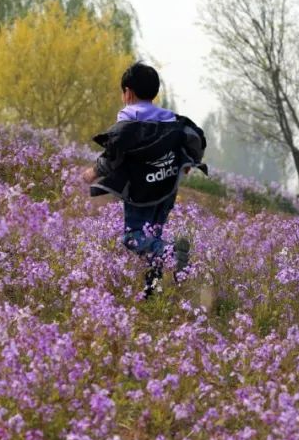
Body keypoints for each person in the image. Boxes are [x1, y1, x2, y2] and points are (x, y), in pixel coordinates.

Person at [81, 62, 208, 297]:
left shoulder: (128, 126)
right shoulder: (172, 121)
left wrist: (92, 173)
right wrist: (188, 163)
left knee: (133, 238)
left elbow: (111, 157)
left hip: (142, 193)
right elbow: (195, 139)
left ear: (127, 93)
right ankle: (153, 290)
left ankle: (171, 252)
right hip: (166, 189)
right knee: (153, 238)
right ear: (155, 93)